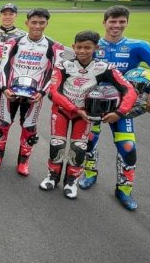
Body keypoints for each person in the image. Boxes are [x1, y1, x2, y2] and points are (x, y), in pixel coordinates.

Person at [78, 5, 150, 210]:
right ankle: (89, 174)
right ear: (104, 23)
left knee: (128, 149)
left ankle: (124, 190)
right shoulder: (93, 45)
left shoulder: (137, 46)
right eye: (112, 21)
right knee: (87, 143)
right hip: (93, 106)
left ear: (127, 23)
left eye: (121, 21)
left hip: (123, 108)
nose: (116, 25)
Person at [41, 30, 136, 200]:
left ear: (96, 48)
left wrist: (119, 112)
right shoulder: (63, 66)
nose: (83, 51)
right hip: (62, 111)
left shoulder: (105, 68)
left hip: (86, 115)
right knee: (57, 144)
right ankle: (52, 177)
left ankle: (71, 182)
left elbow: (129, 90)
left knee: (79, 148)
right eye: (79, 47)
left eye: (88, 47)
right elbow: (54, 92)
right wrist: (74, 108)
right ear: (73, 47)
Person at [0, 8, 65, 176]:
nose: (37, 26)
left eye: (41, 23)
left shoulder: (54, 46)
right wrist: (4, 88)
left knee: (29, 128)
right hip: (10, 93)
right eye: (34, 22)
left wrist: (42, 92)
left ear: (47, 24)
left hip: (35, 96)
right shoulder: (14, 42)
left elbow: (55, 72)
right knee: (3, 123)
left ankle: (23, 160)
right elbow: (4, 65)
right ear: (27, 23)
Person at [0, 3, 27, 149]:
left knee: (1, 110)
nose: (7, 17)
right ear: (0, 15)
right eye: (5, 14)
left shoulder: (22, 36)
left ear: (16, 16)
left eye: (11, 14)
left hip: (8, 80)